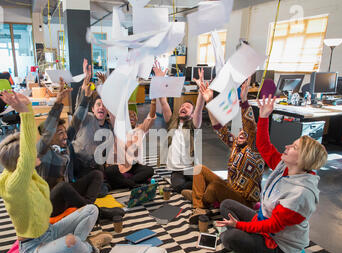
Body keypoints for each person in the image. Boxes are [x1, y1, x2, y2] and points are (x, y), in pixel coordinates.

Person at [0, 90, 112, 253]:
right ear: (21, 162)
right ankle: (88, 248)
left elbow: (72, 125)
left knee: (92, 210)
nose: (35, 150)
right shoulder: (14, 186)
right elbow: (33, 148)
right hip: (33, 248)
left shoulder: (25, 171)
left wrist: (83, 97)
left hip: (50, 231)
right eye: (29, 152)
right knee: (70, 241)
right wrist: (25, 112)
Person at [215, 94, 328, 253]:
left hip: (280, 246)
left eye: (294, 147)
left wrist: (239, 226)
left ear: (302, 159)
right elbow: (264, 146)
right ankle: (245, 241)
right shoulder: (285, 166)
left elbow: (271, 227)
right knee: (226, 205)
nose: (287, 147)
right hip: (263, 220)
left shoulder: (300, 194)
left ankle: (251, 250)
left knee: (229, 237)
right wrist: (264, 116)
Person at [35, 77, 124, 220]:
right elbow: (49, 129)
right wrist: (58, 103)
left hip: (67, 194)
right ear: (50, 136)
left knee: (97, 175)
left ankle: (88, 211)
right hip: (49, 203)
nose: (65, 135)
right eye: (60, 133)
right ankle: (98, 213)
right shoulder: (43, 151)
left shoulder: (64, 143)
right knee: (63, 187)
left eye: (64, 131)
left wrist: (87, 98)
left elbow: (76, 121)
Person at [183, 78, 265, 225]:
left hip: (244, 202)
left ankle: (199, 202)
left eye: (244, 133)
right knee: (198, 169)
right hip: (230, 189)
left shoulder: (255, 149)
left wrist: (244, 100)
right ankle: (200, 201)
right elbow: (218, 127)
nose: (241, 133)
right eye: (240, 132)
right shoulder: (236, 144)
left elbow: (250, 126)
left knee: (214, 187)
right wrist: (209, 101)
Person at [156, 64, 205, 194]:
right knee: (178, 186)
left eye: (188, 107)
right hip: (176, 170)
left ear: (192, 114)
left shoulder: (194, 125)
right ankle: (196, 187)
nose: (183, 107)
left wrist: (201, 89)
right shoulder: (172, 121)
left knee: (200, 182)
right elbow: (163, 102)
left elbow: (199, 109)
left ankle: (199, 185)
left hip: (191, 168)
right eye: (182, 106)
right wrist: (160, 80)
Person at [67, 59, 115, 183]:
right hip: (77, 162)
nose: (101, 107)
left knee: (103, 188)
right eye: (98, 104)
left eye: (104, 106)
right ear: (93, 108)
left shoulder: (109, 128)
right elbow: (80, 106)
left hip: (92, 166)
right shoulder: (87, 117)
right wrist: (86, 80)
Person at [103, 99, 156, 189]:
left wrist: (153, 102)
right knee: (110, 171)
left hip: (133, 165)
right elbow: (111, 113)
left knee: (149, 170)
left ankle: (122, 183)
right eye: (129, 115)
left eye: (134, 115)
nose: (131, 116)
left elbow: (151, 117)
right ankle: (133, 184)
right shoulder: (118, 128)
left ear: (137, 119)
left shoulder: (140, 129)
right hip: (119, 164)